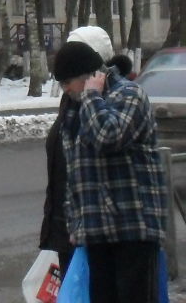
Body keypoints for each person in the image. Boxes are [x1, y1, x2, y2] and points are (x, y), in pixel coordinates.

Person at [52, 36, 166, 301]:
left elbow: (108, 136)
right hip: (96, 231)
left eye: (67, 83)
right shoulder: (76, 108)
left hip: (133, 228)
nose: (65, 90)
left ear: (90, 76)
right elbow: (74, 172)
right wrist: (75, 223)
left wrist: (92, 96)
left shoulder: (129, 95)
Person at [41, 25, 115, 269]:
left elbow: (104, 142)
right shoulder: (71, 100)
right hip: (69, 221)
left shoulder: (105, 99)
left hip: (95, 225)